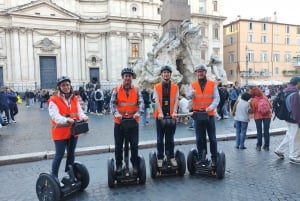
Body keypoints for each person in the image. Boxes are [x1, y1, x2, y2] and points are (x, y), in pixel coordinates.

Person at [48, 76, 88, 178]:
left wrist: (83, 117)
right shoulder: (53, 100)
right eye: (63, 85)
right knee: (59, 155)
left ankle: (70, 174)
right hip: (60, 133)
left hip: (73, 131)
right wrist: (66, 120)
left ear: (70, 86)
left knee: (71, 154)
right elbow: (54, 116)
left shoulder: (74, 98)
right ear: (59, 87)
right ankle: (54, 177)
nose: (66, 87)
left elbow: (79, 111)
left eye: (67, 85)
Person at [110, 67, 144, 174]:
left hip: (133, 122)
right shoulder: (116, 90)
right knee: (119, 145)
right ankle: (119, 165)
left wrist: (138, 113)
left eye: (129, 76)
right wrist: (116, 114)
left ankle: (134, 164)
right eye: (126, 76)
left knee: (134, 145)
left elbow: (141, 103)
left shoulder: (137, 90)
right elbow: (112, 104)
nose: (128, 78)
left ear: (132, 78)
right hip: (119, 122)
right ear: (122, 77)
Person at [187, 63, 220, 166]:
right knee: (199, 138)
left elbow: (217, 98)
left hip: (209, 115)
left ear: (205, 72)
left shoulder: (212, 84)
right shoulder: (192, 85)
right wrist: (190, 94)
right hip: (197, 115)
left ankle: (214, 158)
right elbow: (188, 96)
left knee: (212, 138)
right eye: (198, 71)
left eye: (202, 71)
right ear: (196, 73)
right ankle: (202, 157)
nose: (200, 73)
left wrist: (210, 107)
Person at [153, 65, 179, 167]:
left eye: (168, 72)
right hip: (160, 117)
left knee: (170, 138)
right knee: (160, 138)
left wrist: (175, 111)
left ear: (170, 74)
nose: (166, 74)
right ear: (161, 74)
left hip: (172, 116)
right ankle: (160, 157)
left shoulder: (176, 87)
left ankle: (171, 157)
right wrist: (160, 113)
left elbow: (176, 100)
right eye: (164, 72)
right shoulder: (157, 86)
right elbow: (156, 101)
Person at [274, 76, 300, 164]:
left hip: (287, 118)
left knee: (289, 136)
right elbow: (296, 110)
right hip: (294, 119)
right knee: (295, 138)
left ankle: (279, 150)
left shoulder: (286, 91)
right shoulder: (295, 94)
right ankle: (294, 156)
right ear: (298, 83)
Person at [250, 86, 272, 151]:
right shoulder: (265, 98)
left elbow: (253, 111)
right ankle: (266, 146)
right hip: (267, 116)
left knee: (259, 131)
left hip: (258, 116)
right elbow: (270, 106)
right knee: (266, 131)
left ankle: (259, 146)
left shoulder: (253, 100)